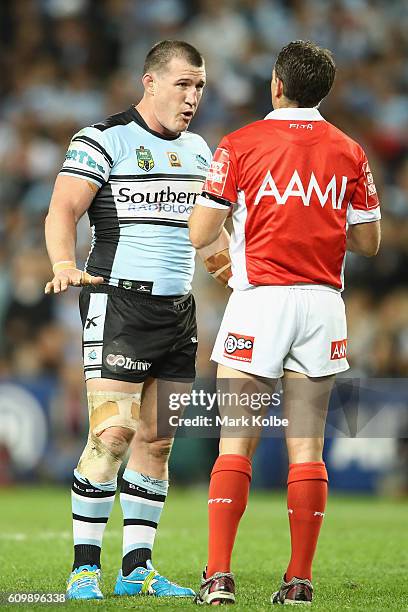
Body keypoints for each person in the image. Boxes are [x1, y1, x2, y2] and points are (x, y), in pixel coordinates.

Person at [189, 40, 381, 605]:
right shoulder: (350, 151)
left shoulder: (240, 144)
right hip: (322, 306)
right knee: (307, 448)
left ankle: (218, 576)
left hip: (261, 300)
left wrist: (233, 245)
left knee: (235, 444)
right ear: (323, 90)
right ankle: (299, 580)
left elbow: (202, 231)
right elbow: (369, 242)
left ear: (276, 84)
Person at [44, 40, 230, 600]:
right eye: (183, 84)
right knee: (113, 432)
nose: (193, 96)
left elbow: (212, 238)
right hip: (118, 305)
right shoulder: (103, 140)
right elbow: (63, 209)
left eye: (200, 85)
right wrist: (62, 263)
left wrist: (241, 286)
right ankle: (83, 569)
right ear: (150, 82)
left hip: (178, 311)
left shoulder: (201, 151)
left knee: (158, 441)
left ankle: (136, 569)